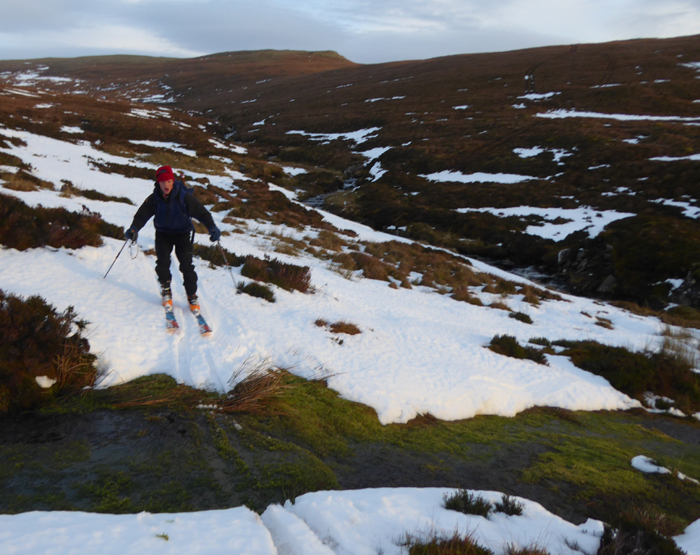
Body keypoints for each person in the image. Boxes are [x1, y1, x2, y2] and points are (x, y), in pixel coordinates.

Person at [125, 165, 221, 314]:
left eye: (169, 181)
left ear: (173, 181)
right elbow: (141, 215)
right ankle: (166, 289)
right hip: (163, 234)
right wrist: (134, 228)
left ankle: (192, 295)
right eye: (163, 182)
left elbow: (202, 213)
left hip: (182, 234)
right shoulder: (154, 198)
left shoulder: (183, 196)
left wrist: (212, 227)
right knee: (162, 263)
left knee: (186, 266)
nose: (166, 185)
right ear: (158, 183)